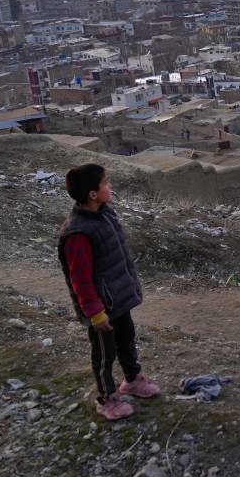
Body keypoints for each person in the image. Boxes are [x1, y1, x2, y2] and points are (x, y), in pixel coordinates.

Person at [57, 164, 161, 421]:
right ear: (93, 194)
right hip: (101, 309)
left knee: (127, 340)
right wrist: (95, 313)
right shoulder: (78, 233)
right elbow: (79, 279)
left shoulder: (104, 214)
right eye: (106, 183)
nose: (110, 187)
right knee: (104, 354)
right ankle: (106, 398)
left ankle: (133, 380)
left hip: (118, 300)